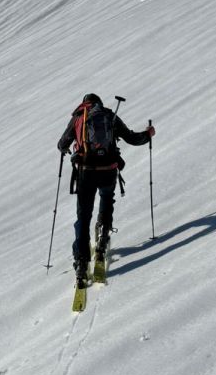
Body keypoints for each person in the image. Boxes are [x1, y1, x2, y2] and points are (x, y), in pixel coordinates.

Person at [57, 93, 155, 285]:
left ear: (85, 103)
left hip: (86, 172)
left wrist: (66, 149)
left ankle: (81, 262)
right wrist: (148, 134)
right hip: (108, 170)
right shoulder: (110, 115)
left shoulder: (79, 117)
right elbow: (132, 138)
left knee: (83, 216)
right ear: (99, 103)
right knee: (107, 198)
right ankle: (102, 236)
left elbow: (62, 144)